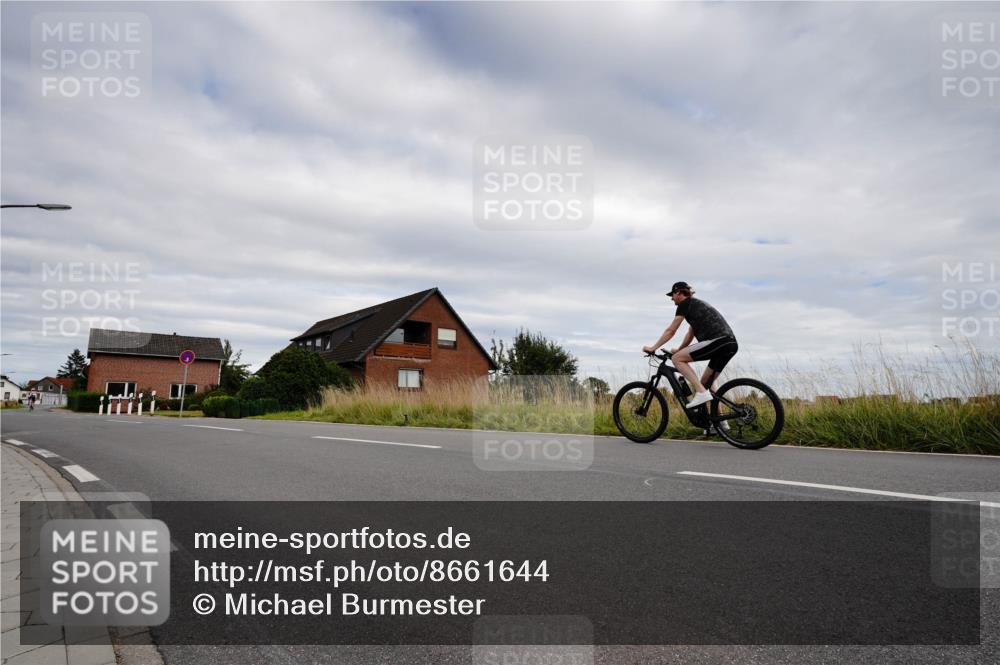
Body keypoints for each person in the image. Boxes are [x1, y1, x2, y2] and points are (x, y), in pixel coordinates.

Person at [642, 282, 738, 416]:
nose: (671, 298)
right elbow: (690, 334)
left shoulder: (685, 304)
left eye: (673, 295)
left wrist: (653, 348)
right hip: (730, 344)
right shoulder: (696, 306)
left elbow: (671, 330)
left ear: (679, 293)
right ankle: (721, 424)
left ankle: (701, 393)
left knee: (677, 359)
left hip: (717, 341)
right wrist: (679, 349)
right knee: (706, 383)